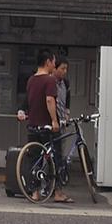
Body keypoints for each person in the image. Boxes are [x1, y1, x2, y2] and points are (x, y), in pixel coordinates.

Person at [25, 47, 72, 203]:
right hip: (47, 127)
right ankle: (57, 192)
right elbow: (50, 100)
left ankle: (35, 193)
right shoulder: (49, 80)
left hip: (32, 125)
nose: (54, 64)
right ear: (47, 62)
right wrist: (54, 121)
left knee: (34, 159)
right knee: (56, 158)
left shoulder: (31, 79)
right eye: (53, 61)